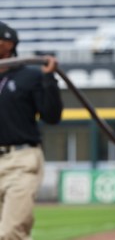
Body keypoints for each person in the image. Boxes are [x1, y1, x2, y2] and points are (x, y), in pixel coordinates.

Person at [0, 21, 63, 239]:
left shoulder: (31, 75)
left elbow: (52, 117)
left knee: (11, 232)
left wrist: (49, 79)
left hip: (20, 160)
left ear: (8, 44)